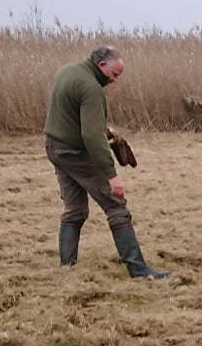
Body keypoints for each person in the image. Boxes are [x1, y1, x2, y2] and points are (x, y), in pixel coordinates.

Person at [45, 46, 168, 279]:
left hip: (54, 148)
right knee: (116, 207)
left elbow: (70, 115)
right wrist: (112, 176)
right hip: (74, 154)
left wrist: (104, 128)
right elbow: (91, 136)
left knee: (74, 209)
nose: (115, 81)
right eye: (114, 75)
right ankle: (139, 270)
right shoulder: (92, 88)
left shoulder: (67, 71)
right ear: (102, 66)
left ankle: (66, 267)